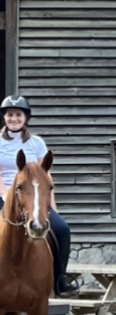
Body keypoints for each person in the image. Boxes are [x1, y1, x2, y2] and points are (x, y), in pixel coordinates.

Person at [0, 95, 77, 296]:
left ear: (26, 118)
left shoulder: (37, 143)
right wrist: (7, 194)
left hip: (34, 197)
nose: (14, 118)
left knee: (62, 230)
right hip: (5, 195)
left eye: (18, 115)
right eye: (10, 115)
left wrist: (51, 206)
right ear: (4, 118)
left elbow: (45, 176)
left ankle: (60, 280)